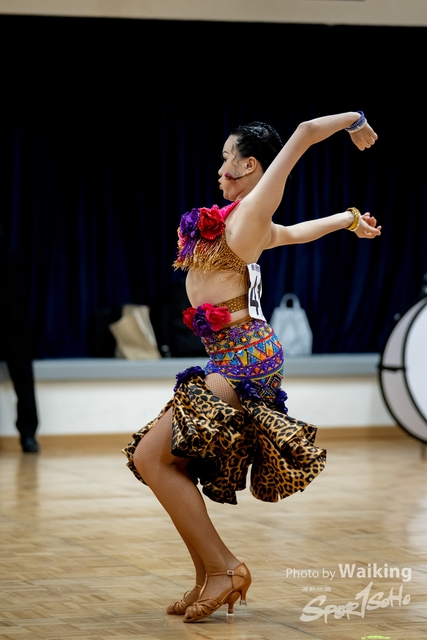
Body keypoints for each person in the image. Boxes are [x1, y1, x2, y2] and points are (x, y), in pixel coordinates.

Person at [122, 111, 380, 623]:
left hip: (245, 357)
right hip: (229, 355)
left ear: (250, 164)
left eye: (227, 158)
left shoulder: (252, 210)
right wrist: (348, 220)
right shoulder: (240, 221)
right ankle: (208, 574)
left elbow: (304, 133)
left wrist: (356, 120)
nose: (220, 167)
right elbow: (293, 234)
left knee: (153, 458)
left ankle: (225, 569)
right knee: (167, 463)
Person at [0, 226, 40, 453]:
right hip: (13, 308)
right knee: (22, 374)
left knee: (22, 373)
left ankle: (28, 434)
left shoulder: (7, 257)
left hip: (11, 310)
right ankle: (28, 434)